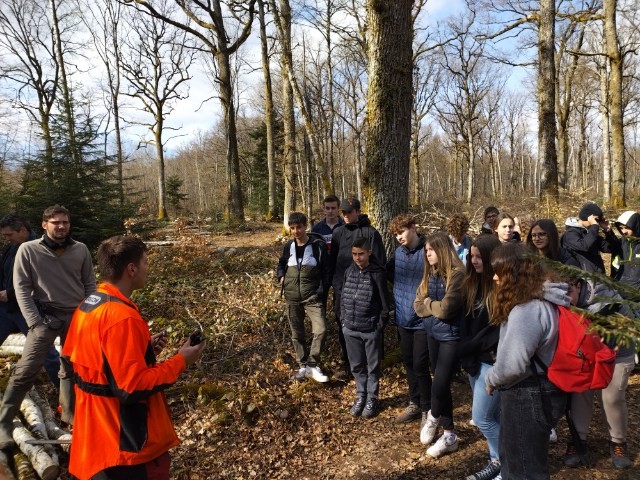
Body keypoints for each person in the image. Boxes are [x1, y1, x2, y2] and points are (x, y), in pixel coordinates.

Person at [62, 236, 205, 480]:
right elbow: (131, 387)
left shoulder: (88, 305)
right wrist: (181, 360)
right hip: (123, 446)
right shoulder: (121, 318)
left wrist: (142, 350)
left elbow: (84, 363)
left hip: (92, 439)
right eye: (145, 262)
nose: (147, 268)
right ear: (131, 269)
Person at [0, 205, 96, 449]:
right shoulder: (27, 250)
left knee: (70, 366)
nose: (61, 226)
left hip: (76, 318)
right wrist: (33, 321)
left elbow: (90, 285)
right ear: (44, 225)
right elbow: (21, 288)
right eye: (56, 222)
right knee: (26, 369)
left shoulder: (80, 250)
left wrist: (89, 316)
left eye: (65, 222)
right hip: (44, 318)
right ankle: (4, 424)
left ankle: (70, 417)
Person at [484, 243, 568, 480]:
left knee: (522, 467)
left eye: (498, 271)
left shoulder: (528, 309)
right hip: (542, 390)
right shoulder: (545, 298)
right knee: (525, 460)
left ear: (513, 274)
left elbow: (513, 365)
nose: (494, 277)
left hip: (528, 394)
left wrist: (492, 379)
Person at [562, 278, 635, 469]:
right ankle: (578, 440)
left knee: (612, 397)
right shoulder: (566, 301)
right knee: (580, 393)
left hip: (617, 353)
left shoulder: (604, 297)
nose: (566, 298)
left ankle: (618, 442)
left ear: (578, 286)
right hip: (588, 353)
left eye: (569, 291)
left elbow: (623, 326)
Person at [414, 232, 465, 459]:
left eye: (431, 250)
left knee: (441, 383)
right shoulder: (430, 273)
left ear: (442, 250)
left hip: (452, 337)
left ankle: (433, 416)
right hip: (432, 333)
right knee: (440, 384)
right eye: (426, 251)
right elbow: (418, 305)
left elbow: (447, 309)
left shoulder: (458, 275)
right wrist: (433, 306)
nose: (427, 255)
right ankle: (450, 434)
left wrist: (430, 306)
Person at [458, 234, 502, 480]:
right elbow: (463, 323)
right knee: (493, 417)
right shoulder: (470, 284)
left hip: (492, 363)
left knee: (482, 418)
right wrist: (465, 353)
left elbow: (495, 331)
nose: (474, 261)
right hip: (473, 360)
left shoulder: (500, 287)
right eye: (471, 256)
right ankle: (496, 461)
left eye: (478, 256)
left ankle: (507, 463)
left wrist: (469, 348)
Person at [0, 214, 60, 388]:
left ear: (23, 231)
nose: (6, 238)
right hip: (6, 310)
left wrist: (10, 294)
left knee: (46, 354)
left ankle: (68, 397)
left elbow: (44, 283)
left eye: (9, 234)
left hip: (29, 310)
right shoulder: (12, 247)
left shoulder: (40, 249)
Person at [330, 197, 386, 378]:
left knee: (371, 332)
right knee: (344, 327)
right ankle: (349, 365)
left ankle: (373, 368)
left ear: (358, 212)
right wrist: (336, 284)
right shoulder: (338, 233)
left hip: (366, 291)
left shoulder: (371, 233)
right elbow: (333, 262)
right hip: (343, 290)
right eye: (343, 212)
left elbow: (379, 264)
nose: (346, 215)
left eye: (349, 212)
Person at [386, 214, 431, 423]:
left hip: (422, 319)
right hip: (403, 318)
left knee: (421, 364)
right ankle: (414, 402)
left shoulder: (428, 251)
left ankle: (427, 409)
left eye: (401, 232)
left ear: (414, 228)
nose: (399, 237)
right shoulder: (398, 253)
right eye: (396, 234)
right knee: (409, 362)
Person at [276, 212, 330, 383]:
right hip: (292, 297)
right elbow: (281, 264)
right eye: (292, 228)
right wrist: (280, 276)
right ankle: (303, 365)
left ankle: (313, 365)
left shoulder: (317, 246)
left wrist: (321, 291)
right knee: (296, 333)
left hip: (312, 297)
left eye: (299, 227)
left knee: (320, 329)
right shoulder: (288, 246)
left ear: (305, 226)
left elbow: (326, 271)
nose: (296, 231)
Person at [341, 237, 389, 419]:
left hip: (370, 329)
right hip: (350, 328)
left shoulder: (377, 273)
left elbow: (385, 306)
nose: (357, 258)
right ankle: (360, 395)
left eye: (361, 254)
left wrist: (377, 327)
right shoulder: (349, 271)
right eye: (354, 254)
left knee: (373, 366)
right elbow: (343, 297)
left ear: (369, 252)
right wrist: (344, 320)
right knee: (357, 366)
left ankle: (372, 397)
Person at [561, 202, 618, 273]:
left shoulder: (590, 233)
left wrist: (608, 231)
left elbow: (611, 249)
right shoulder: (570, 234)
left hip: (598, 277)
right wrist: (594, 226)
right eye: (596, 219)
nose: (597, 222)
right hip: (582, 278)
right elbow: (584, 246)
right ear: (587, 217)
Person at [612, 211, 640, 289]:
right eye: (621, 228)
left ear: (636, 226)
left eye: (627, 227)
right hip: (621, 292)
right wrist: (608, 232)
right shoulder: (622, 243)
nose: (624, 231)